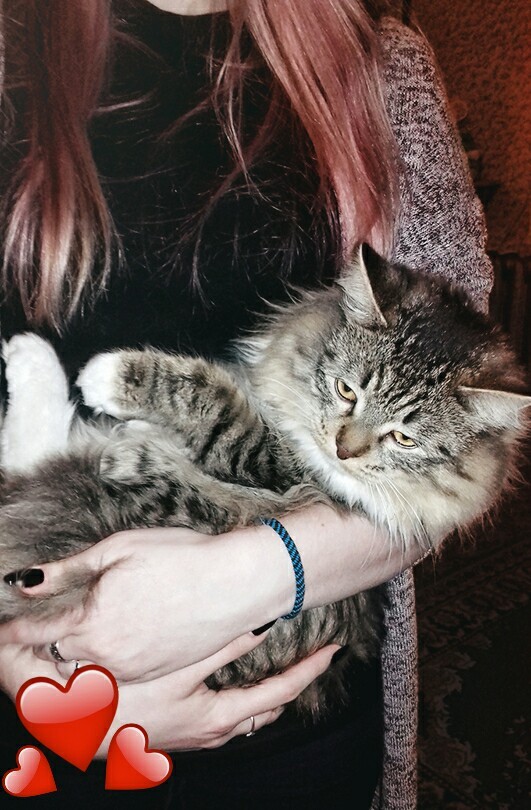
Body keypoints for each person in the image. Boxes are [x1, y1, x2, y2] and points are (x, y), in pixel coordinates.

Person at [0, 1, 492, 808]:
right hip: (37, 687)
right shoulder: (13, 46)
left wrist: (245, 577)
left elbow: (454, 453)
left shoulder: (382, 67)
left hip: (293, 715)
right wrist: (21, 664)